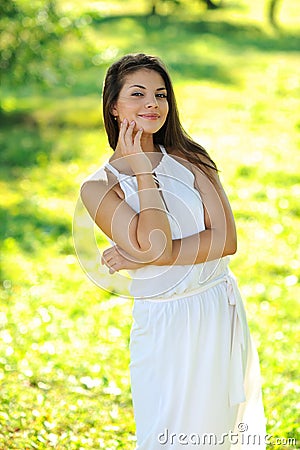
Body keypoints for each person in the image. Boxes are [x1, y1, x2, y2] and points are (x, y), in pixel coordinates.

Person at [80, 53, 266, 450]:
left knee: (219, 431)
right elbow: (158, 243)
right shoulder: (98, 188)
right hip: (166, 321)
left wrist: (145, 255)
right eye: (138, 94)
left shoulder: (191, 158)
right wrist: (144, 173)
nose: (153, 103)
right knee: (167, 433)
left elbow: (226, 241)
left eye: (161, 94)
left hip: (216, 306)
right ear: (114, 106)